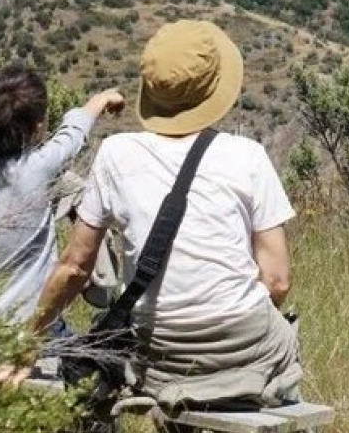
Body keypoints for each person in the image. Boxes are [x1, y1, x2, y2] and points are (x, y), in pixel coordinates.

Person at [23, 20, 304, 410]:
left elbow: (74, 267)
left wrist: (27, 342)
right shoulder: (248, 156)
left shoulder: (115, 154)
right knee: (286, 342)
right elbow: (276, 281)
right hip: (244, 346)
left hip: (157, 356)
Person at [0, 66, 126, 329]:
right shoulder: (39, 168)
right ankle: (102, 285)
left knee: (70, 185)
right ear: (37, 128)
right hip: (32, 324)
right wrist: (100, 100)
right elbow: (72, 133)